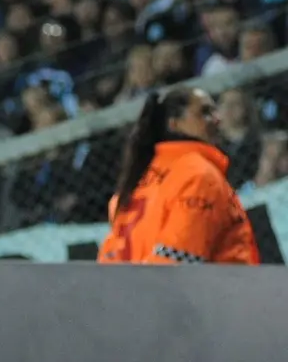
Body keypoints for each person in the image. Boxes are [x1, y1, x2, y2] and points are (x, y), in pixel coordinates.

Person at [98, 87, 259, 264]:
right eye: (205, 112)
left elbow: (110, 260)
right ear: (174, 124)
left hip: (133, 281)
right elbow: (179, 261)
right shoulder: (198, 175)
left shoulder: (137, 179)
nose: (217, 118)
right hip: (213, 282)